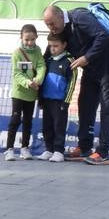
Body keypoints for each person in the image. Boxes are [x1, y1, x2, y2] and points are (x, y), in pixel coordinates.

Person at [41, 3, 109, 165]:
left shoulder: (79, 17)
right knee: (85, 105)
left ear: (61, 16)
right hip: (91, 67)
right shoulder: (60, 29)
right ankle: (84, 147)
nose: (50, 28)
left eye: (52, 23)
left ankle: (103, 152)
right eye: (47, 25)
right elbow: (50, 50)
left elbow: (103, 35)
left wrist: (86, 58)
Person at [5, 23, 44, 161]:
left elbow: (41, 66)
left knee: (28, 121)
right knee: (15, 120)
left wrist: (38, 80)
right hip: (19, 93)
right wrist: (28, 83)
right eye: (26, 39)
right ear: (21, 37)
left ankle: (24, 148)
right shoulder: (17, 53)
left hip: (31, 95)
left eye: (32, 39)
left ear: (36, 38)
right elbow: (17, 74)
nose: (29, 42)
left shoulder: (38, 51)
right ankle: (9, 149)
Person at [37, 32, 77, 163]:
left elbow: (72, 82)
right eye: (50, 46)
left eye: (56, 46)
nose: (52, 49)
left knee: (59, 126)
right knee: (47, 126)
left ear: (64, 45)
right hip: (47, 99)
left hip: (60, 101)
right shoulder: (47, 60)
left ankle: (59, 151)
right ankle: (49, 149)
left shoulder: (69, 61)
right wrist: (41, 98)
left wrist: (66, 101)